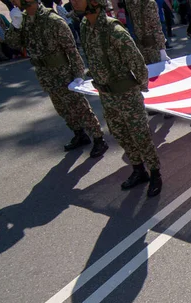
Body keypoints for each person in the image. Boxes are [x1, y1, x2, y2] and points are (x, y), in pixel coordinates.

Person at [69, 0, 164, 196]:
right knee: (120, 133)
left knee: (140, 135)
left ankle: (155, 173)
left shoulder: (113, 30)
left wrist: (136, 90)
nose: (73, 2)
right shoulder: (86, 27)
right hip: (106, 94)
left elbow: (137, 62)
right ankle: (138, 169)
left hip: (126, 94)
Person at [5, 0, 109, 157]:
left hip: (64, 73)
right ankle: (79, 134)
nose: (13, 1)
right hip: (45, 74)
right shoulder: (23, 19)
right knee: (62, 108)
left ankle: (98, 139)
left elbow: (72, 50)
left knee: (79, 108)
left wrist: (78, 75)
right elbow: (13, 43)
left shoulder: (52, 20)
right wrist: (16, 25)